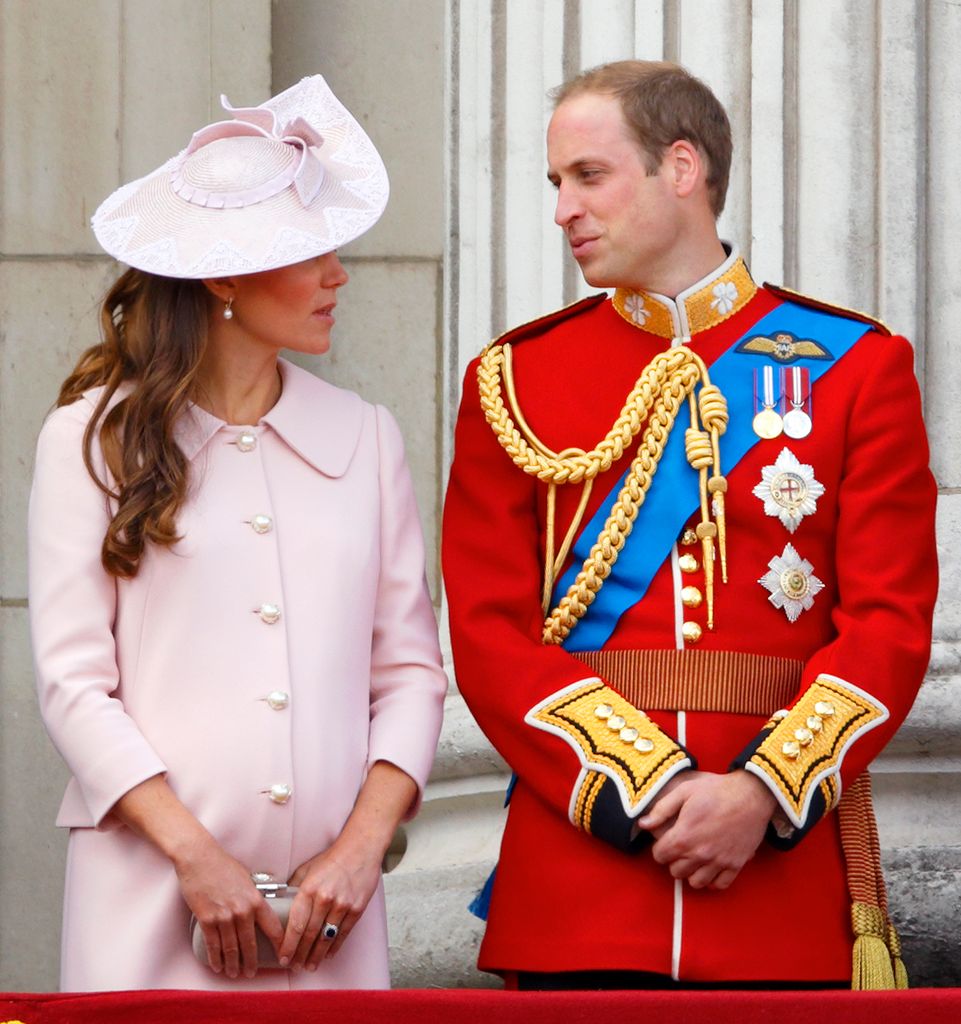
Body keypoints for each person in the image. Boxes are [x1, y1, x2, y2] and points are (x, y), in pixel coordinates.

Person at [442, 60, 937, 990]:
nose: (562, 211)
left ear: (681, 168)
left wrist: (759, 791)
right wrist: (652, 790)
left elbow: (888, 625)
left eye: (588, 176)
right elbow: (485, 633)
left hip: (775, 883)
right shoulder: (513, 380)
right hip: (581, 884)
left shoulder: (854, 365)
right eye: (556, 184)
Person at [28, 75, 447, 991]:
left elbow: (410, 673)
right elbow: (73, 684)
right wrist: (195, 858)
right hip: (148, 899)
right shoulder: (92, 439)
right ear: (222, 273)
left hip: (329, 919)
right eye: (311, 252)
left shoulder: (365, 436)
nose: (339, 275)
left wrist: (360, 851)